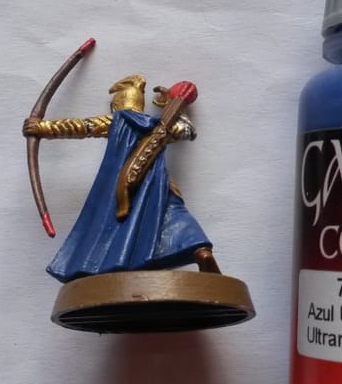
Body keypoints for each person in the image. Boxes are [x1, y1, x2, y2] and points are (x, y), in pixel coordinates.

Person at [22, 75, 221, 282]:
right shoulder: (157, 124)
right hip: (159, 189)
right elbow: (186, 131)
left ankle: (123, 268)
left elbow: (81, 126)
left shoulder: (117, 121)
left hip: (123, 193)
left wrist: (41, 128)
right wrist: (173, 102)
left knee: (114, 236)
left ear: (116, 105)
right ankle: (201, 252)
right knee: (176, 218)